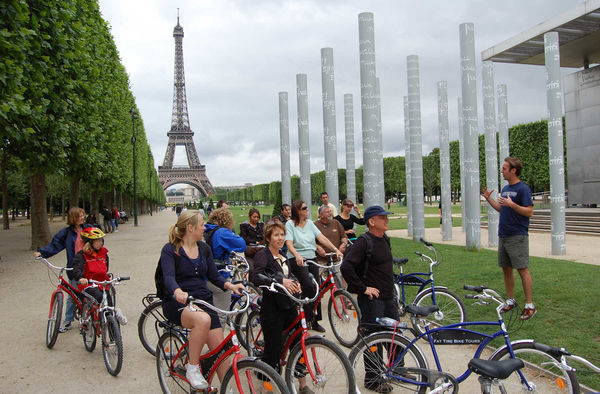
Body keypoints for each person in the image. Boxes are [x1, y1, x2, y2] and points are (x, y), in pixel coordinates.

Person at [161, 210, 245, 390]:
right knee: (203, 319)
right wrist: (177, 291)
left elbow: (214, 276)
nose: (205, 227)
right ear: (190, 228)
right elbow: (168, 277)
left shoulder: (204, 248)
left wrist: (230, 286)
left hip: (203, 300)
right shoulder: (170, 250)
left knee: (222, 356)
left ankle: (227, 390)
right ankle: (192, 368)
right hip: (178, 302)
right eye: (201, 224)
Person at [250, 220, 313, 394]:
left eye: (282, 235)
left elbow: (290, 275)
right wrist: (279, 280)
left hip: (288, 306)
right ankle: (266, 387)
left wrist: (297, 283)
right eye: (276, 235)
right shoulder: (263, 255)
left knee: (298, 344)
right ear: (268, 238)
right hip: (272, 309)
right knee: (273, 350)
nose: (280, 238)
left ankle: (302, 384)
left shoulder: (283, 255)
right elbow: (255, 277)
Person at [341, 205, 398, 393]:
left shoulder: (385, 240)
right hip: (373, 301)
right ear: (371, 222)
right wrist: (363, 289)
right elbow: (346, 267)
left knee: (394, 336)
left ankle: (396, 370)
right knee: (373, 340)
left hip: (388, 298)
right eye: (382, 218)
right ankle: (373, 379)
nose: (386, 220)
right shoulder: (363, 242)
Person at [481, 156, 536, 321]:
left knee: (522, 269)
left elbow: (529, 212)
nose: (502, 171)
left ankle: (529, 306)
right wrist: (488, 198)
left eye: (504, 168)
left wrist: (512, 204)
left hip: (517, 236)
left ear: (513, 170)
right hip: (503, 235)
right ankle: (510, 301)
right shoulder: (505, 189)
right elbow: (502, 209)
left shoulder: (523, 189)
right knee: (506, 269)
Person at [285, 200, 343, 333]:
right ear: (298, 211)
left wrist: (335, 250)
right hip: (297, 259)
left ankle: (314, 321)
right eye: (305, 208)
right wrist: (297, 255)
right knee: (309, 286)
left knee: (317, 289)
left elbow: (321, 238)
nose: (307, 210)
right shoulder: (290, 224)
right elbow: (289, 243)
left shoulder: (310, 224)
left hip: (311, 258)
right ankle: (305, 317)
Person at [34, 207, 93, 332]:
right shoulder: (67, 233)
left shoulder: (88, 229)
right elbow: (55, 244)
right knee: (72, 295)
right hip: (74, 267)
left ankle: (88, 319)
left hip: (88, 266)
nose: (82, 217)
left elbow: (99, 242)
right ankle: (68, 320)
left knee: (88, 293)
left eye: (83, 215)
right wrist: (42, 253)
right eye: (80, 216)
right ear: (73, 218)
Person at [72, 227, 127, 325]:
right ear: (90, 242)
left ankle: (114, 331)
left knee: (109, 303)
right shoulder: (81, 255)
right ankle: (114, 312)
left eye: (101, 240)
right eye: (98, 241)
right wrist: (81, 278)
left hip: (102, 284)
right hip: (89, 284)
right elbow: (76, 268)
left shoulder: (103, 253)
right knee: (99, 297)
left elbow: (105, 267)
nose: (101, 243)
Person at [204, 208, 247, 326]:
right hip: (218, 276)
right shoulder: (222, 232)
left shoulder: (207, 229)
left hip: (204, 275)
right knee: (221, 315)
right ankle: (217, 341)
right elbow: (242, 245)